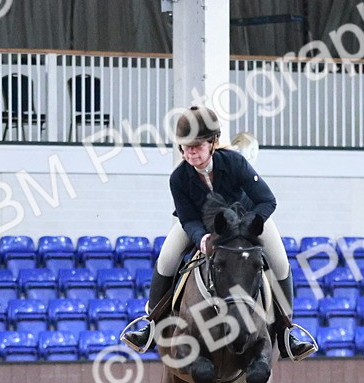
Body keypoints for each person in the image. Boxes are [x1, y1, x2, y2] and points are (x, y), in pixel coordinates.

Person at [121, 107, 316, 359]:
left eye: (197, 146)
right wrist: (200, 237)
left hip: (245, 219)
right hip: (199, 226)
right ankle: (150, 324)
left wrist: (249, 225)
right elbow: (187, 217)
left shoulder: (235, 162)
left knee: (280, 262)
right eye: (186, 147)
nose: (191, 152)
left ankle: (286, 331)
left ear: (213, 143)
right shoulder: (178, 178)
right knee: (167, 258)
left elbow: (267, 200)